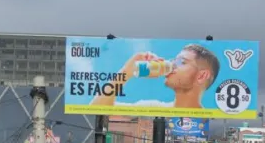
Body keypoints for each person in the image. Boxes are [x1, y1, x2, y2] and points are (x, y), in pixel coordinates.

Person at [91, 43, 221, 110]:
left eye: (182, 62)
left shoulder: (208, 117)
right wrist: (127, 71)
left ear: (202, 76)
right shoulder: (153, 107)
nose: (173, 65)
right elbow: (96, 109)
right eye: (174, 60)